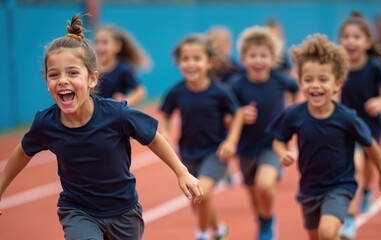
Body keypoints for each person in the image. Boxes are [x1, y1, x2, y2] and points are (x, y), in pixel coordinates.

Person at [0, 15, 203, 240]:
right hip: (78, 210)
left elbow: (153, 138)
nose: (63, 80)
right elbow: (22, 152)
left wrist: (182, 172)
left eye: (73, 73)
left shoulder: (117, 114)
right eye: (54, 74)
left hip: (123, 211)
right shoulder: (46, 123)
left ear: (92, 79)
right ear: (47, 82)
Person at [266, 34, 381, 240]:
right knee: (317, 237)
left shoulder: (346, 118)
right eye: (308, 80)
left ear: (337, 84)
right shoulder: (294, 114)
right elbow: (278, 139)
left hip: (339, 186)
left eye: (323, 79)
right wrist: (282, 153)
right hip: (309, 189)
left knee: (327, 233)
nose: (315, 85)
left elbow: (370, 144)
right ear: (300, 82)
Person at [160, 34, 244, 240]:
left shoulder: (220, 92)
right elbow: (166, 115)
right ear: (179, 63)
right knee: (198, 201)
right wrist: (164, 133)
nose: (191, 64)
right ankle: (218, 230)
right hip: (188, 153)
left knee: (202, 193)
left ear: (209, 63)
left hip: (215, 152)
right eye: (185, 59)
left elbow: (238, 114)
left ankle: (203, 234)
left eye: (196, 58)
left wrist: (231, 141)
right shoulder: (177, 91)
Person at [230, 26, 300, 240]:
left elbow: (296, 91)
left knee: (264, 183)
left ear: (273, 59)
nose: (258, 60)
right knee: (252, 192)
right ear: (243, 59)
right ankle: (261, 220)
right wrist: (239, 114)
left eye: (264, 56)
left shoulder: (281, 80)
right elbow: (228, 113)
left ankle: (268, 220)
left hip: (273, 144)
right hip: (246, 146)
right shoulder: (236, 85)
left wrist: (292, 114)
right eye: (253, 56)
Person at [338, 15, 381, 239]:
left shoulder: (374, 66)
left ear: (368, 43)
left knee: (369, 166)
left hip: (371, 125)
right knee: (354, 166)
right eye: (346, 36)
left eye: (356, 37)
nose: (351, 41)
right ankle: (350, 221)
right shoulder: (340, 66)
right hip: (347, 126)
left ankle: (366, 191)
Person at [94, 24, 150, 106]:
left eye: (104, 42)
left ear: (117, 46)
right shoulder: (91, 68)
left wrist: (125, 101)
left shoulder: (122, 69)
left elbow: (140, 91)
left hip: (114, 115)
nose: (99, 47)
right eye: (96, 42)